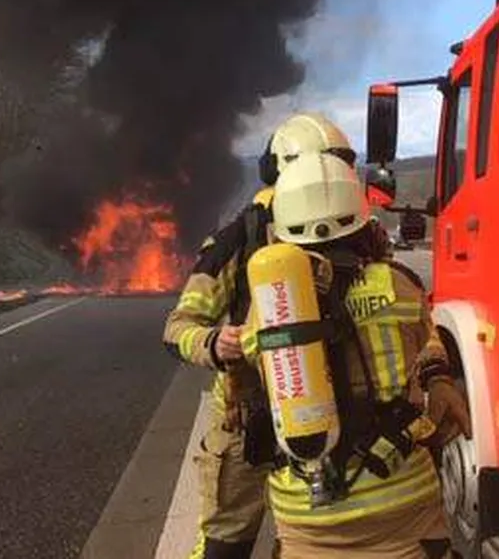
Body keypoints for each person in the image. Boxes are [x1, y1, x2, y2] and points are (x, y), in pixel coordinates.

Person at [237, 151, 471, 559]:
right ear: (363, 221)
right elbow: (427, 338)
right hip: (400, 499)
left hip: (305, 510)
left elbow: (251, 362)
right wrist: (438, 378)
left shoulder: (269, 307)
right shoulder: (400, 285)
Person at [162, 113, 365, 559]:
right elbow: (178, 328)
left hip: (334, 416)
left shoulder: (355, 231)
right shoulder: (239, 240)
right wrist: (215, 344)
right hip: (248, 421)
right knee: (225, 546)